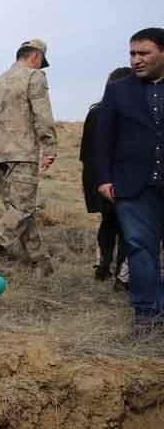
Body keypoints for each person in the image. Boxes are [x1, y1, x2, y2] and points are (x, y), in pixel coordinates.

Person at [94, 27, 164, 334]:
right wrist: (104, 178)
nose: (136, 60)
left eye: (144, 53)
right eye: (132, 54)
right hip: (133, 187)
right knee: (139, 248)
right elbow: (103, 140)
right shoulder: (118, 90)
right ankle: (147, 315)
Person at [0, 39, 58, 276]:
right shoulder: (35, 77)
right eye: (41, 61)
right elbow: (42, 114)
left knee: (20, 210)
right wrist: (49, 146)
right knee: (21, 209)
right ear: (36, 57)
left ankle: (41, 262)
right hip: (22, 153)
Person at [82, 67, 133, 287]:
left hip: (97, 178)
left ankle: (102, 266)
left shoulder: (95, 112)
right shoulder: (132, 113)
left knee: (108, 221)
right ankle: (123, 276)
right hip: (124, 177)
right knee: (128, 227)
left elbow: (84, 152)